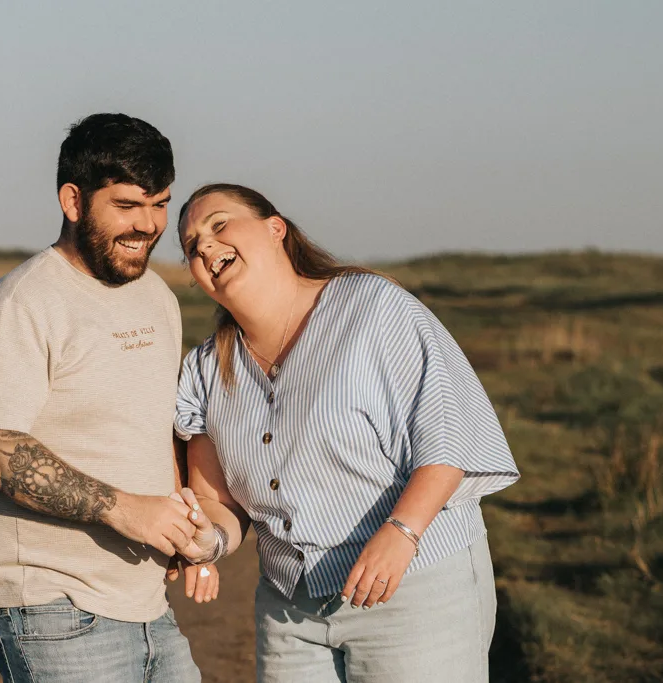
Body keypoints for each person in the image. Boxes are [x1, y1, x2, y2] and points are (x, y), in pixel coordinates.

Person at [172, 183, 521, 683]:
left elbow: (449, 437)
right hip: (289, 614)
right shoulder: (207, 369)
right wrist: (205, 541)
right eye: (191, 245)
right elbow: (217, 503)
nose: (204, 246)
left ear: (276, 230)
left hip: (414, 591)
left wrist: (400, 533)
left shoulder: (374, 309)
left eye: (219, 225)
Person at [0, 113, 214, 683]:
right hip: (53, 612)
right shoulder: (22, 304)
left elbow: (153, 427)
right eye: (126, 206)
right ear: (73, 201)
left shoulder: (157, 297)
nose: (149, 226)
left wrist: (180, 524)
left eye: (160, 203)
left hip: (147, 604)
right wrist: (128, 511)